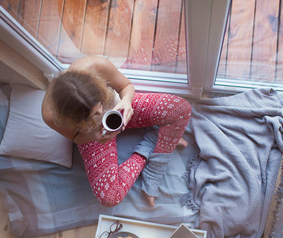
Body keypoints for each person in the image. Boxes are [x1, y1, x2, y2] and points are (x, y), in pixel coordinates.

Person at [42, 56, 191, 207]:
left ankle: (154, 171)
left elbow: (125, 86)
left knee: (181, 109)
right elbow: (75, 137)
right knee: (110, 197)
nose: (101, 112)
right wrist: (95, 137)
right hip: (93, 135)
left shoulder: (96, 65)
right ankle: (149, 146)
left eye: (100, 103)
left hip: (118, 109)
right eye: (93, 114)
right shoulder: (50, 116)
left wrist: (126, 101)